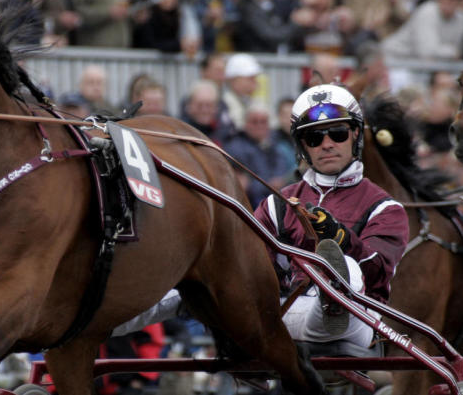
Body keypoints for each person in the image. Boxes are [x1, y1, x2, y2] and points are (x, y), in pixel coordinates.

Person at [115, 84, 409, 348]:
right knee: (193, 275)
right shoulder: (276, 203)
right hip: (277, 312)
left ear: (355, 135)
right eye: (314, 137)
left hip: (356, 319)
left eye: (338, 133)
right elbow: (248, 263)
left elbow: (378, 273)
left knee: (346, 268)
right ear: (303, 146)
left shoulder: (386, 208)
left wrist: (341, 238)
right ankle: (105, 321)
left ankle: (331, 298)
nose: (327, 143)